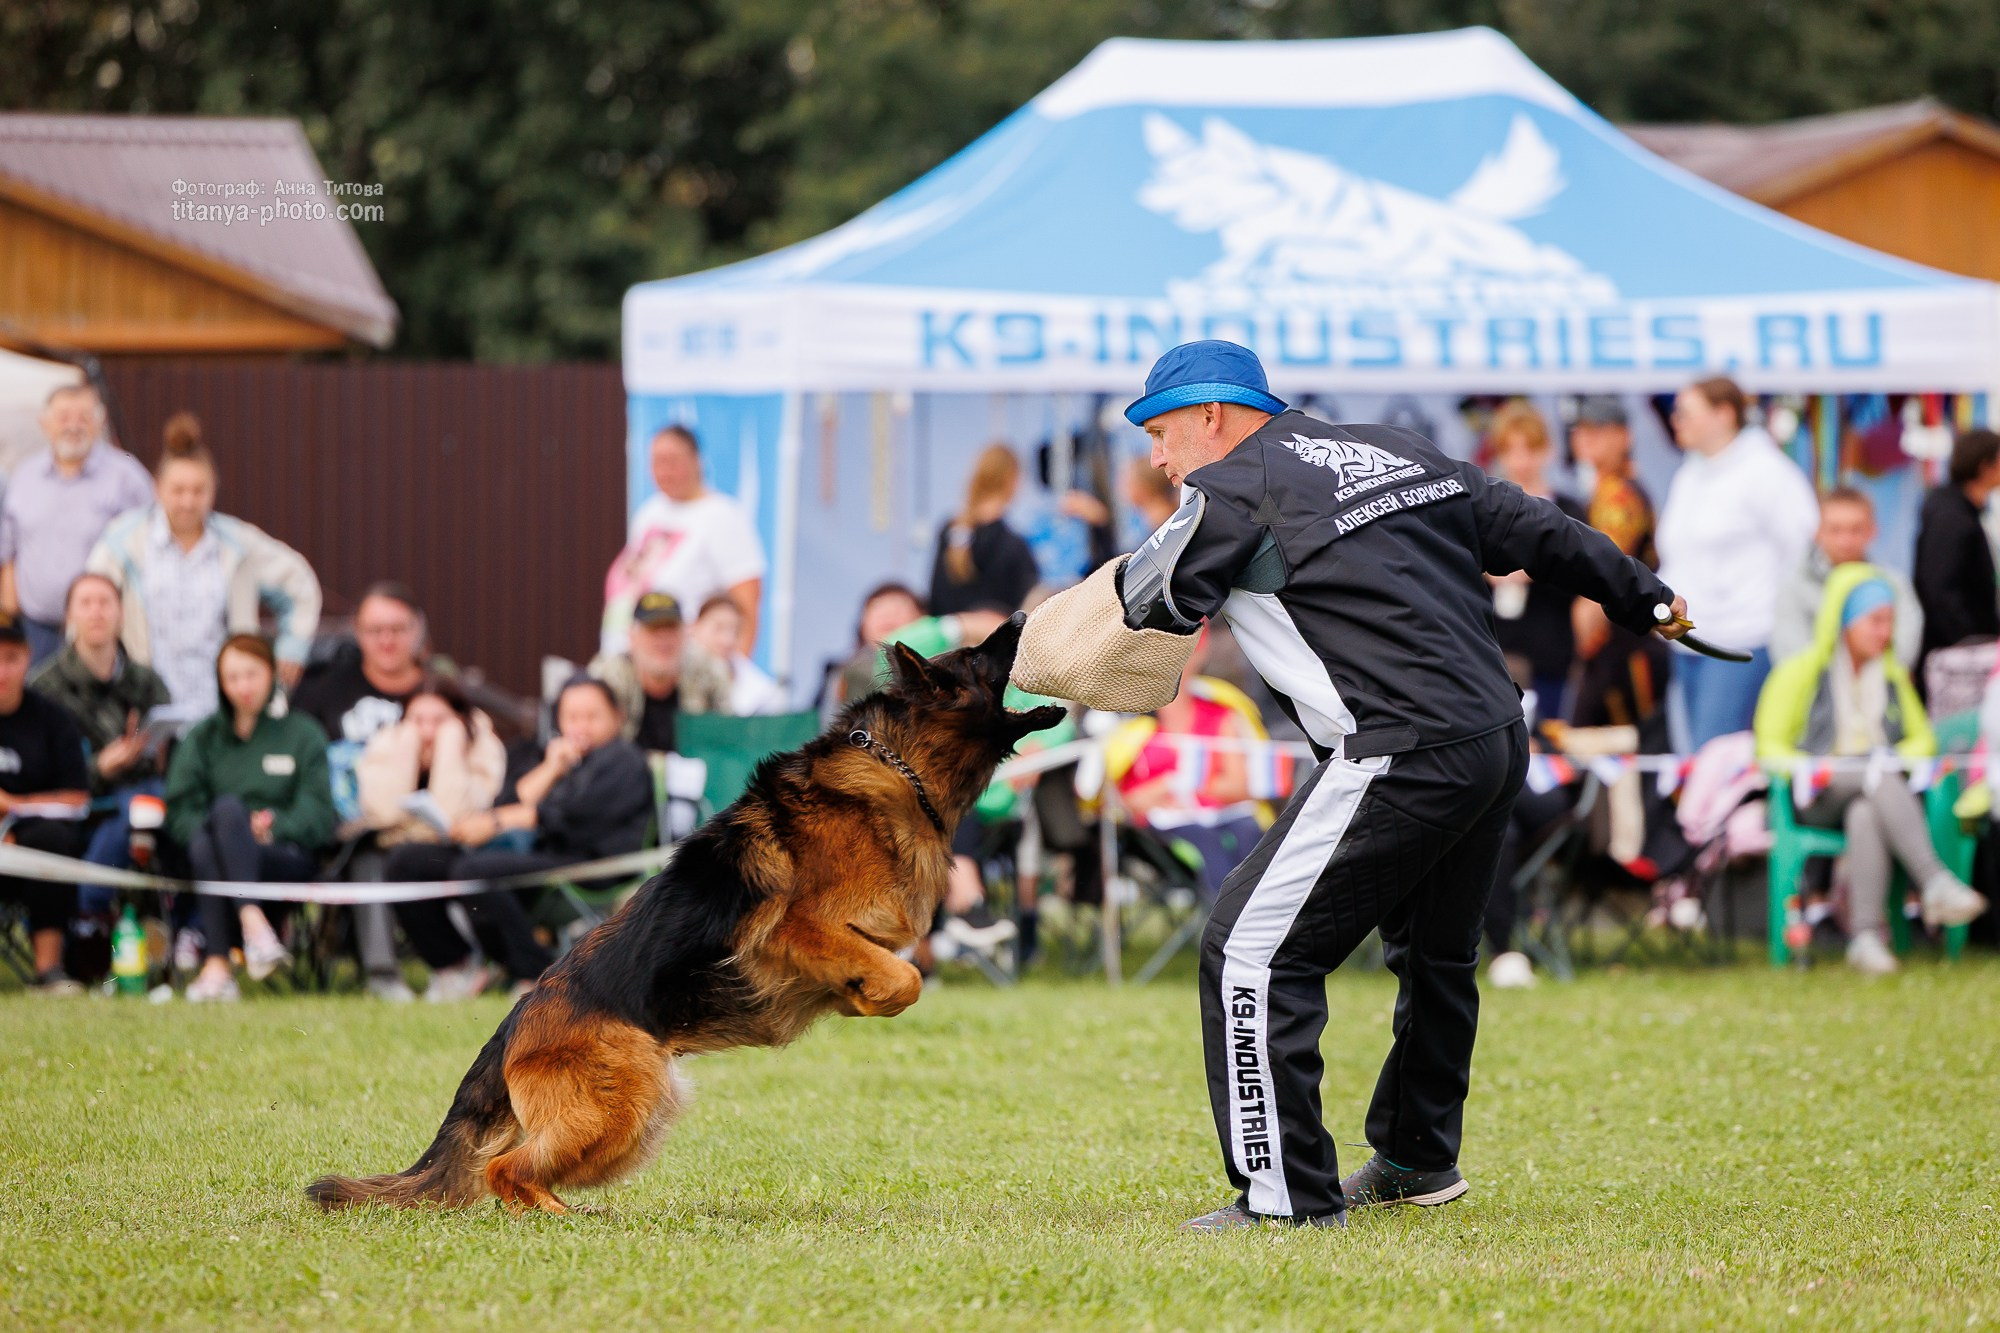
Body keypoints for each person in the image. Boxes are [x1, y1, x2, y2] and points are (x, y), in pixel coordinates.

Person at [1010, 340, 1686, 1230]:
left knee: (1249, 952)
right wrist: (1645, 596)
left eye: (1163, 432)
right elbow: (1535, 526)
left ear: (1214, 414)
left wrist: (1003, 662)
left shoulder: (1229, 489)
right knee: (1437, 955)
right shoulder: (1391, 448)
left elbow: (1130, 613)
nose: (1157, 459)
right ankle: (1415, 1158)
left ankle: (1284, 1198)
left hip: (1397, 746)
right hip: (1493, 737)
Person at [1754, 565, 1988, 972]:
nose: (1885, 633)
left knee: (1866, 807)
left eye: (1890, 622)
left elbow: (1923, 740)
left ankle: (1864, 938)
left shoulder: (1893, 677)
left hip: (1874, 796)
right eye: (1875, 621)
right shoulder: (1800, 673)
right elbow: (1768, 745)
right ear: (1844, 621)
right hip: (1815, 795)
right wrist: (1816, 766)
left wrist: (1890, 759)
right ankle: (1932, 879)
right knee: (1873, 775)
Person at [388, 676, 654, 991]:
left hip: (584, 861)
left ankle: (540, 974)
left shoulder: (624, 759)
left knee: (473, 871)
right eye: (571, 717)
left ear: (617, 717)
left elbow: (574, 818)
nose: (581, 726)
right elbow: (507, 799)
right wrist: (551, 768)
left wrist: (500, 822)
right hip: (527, 853)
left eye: (592, 716)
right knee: (408, 862)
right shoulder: (550, 754)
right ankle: (454, 966)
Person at [85, 413, 322, 713]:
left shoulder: (237, 544)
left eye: (198, 490)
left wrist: (293, 648)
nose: (188, 501)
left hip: (221, 711)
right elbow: (88, 606)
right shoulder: (124, 541)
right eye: (178, 490)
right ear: (158, 489)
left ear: (213, 490)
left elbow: (299, 583)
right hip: (146, 709)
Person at [162, 634, 336, 1002]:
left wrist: (272, 827)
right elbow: (180, 809)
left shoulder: (303, 734)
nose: (243, 686)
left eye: (252, 674)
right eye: (232, 677)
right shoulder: (202, 737)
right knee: (223, 817)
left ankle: (218, 964)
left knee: (220, 826)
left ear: (272, 674)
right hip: (209, 856)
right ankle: (252, 928)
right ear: (221, 683)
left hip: (283, 857)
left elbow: (319, 813)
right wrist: (230, 833)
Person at [1655, 377, 1818, 750]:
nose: (1676, 420)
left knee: (1716, 763)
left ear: (1724, 414)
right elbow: (1679, 555)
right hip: (1686, 641)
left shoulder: (1767, 472)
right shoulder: (1691, 473)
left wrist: (1788, 626)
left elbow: (1802, 551)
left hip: (1741, 639)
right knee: (1694, 761)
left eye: (1686, 413)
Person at [352, 676, 507, 1001]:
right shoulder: (389, 742)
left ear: (460, 719)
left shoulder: (482, 747)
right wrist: (407, 748)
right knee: (370, 864)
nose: (427, 731)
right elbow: (382, 811)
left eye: (439, 721)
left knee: (414, 863)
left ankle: (459, 963)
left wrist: (450, 746)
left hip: (458, 851)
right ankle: (382, 974)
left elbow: (454, 814)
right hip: (391, 847)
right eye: (417, 721)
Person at [28, 573, 172, 911]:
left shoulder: (147, 682)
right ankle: (87, 908)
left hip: (144, 798)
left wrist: (152, 754)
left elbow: (167, 754)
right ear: (69, 617)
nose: (96, 612)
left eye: (105, 603)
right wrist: (100, 768)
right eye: (86, 603)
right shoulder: (45, 688)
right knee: (133, 808)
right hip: (76, 807)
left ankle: (186, 932)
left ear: (121, 613)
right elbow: (40, 772)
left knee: (148, 803)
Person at [0, 384, 154, 667]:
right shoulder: (24, 475)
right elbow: (8, 544)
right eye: (63, 417)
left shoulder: (128, 477)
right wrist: (11, 606)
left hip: (102, 631)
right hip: (36, 628)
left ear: (100, 421)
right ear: (44, 423)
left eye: (83, 417)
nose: (73, 426)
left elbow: (150, 546)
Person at [1110, 634, 1267, 899]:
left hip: (1224, 820)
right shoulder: (1130, 726)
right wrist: (1184, 788)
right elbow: (1118, 799)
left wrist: (1175, 788)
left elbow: (1241, 785)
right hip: (1158, 833)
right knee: (1209, 845)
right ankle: (1229, 927)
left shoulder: (1222, 714)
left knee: (1252, 838)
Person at [601, 424, 766, 656]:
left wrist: (735, 672)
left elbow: (747, 605)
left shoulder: (722, 516)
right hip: (632, 662)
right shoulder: (650, 511)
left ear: (697, 461)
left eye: (673, 461)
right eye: (657, 462)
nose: (664, 471)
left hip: (688, 667)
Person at [0, 610, 91, 993]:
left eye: (10, 659)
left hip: (30, 850)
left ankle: (48, 968)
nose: (1, 671)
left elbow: (76, 798)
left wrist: (12, 806)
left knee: (53, 841)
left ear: (28, 657)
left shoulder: (52, 719)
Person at [1484, 401, 1586, 719]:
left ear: (1547, 451)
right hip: (1495, 650)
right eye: (1511, 450)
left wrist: (1534, 568)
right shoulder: (1484, 507)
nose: (1520, 461)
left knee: (1549, 741)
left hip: (1550, 651)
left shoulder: (1568, 510)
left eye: (1529, 449)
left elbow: (1582, 575)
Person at [1771, 487, 1922, 669]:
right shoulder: (1795, 585)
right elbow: (1790, 654)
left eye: (1856, 530)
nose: (1845, 541)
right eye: (1835, 530)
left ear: (1872, 530)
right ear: (1818, 531)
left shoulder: (1893, 584)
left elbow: (1904, 647)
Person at [587, 592, 732, 753]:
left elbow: (728, 736)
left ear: (684, 634)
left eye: (670, 629)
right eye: (653, 630)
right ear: (632, 637)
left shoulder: (709, 673)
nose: (663, 640)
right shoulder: (606, 678)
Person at [1913, 428, 2000, 691]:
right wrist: (1970, 643)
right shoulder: (1952, 518)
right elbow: (1937, 588)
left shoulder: (1963, 511)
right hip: (1954, 662)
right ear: (1986, 466)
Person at [928, 444, 1040, 618]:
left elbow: (936, 600)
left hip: (952, 642)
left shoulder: (951, 531)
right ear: (1012, 479)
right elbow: (1028, 609)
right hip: (997, 642)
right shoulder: (1013, 545)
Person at [1568, 395, 1655, 567]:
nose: (1585, 437)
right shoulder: (1604, 486)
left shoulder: (1620, 493)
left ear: (1624, 436)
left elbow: (1608, 569)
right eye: (1580, 429)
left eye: (1597, 429)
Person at [825, 582, 926, 713]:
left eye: (899, 607)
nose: (888, 615)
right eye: (877, 607)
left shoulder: (940, 667)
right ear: (862, 624)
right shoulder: (843, 672)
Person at [689, 595, 785, 716]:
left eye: (735, 630)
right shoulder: (673, 677)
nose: (727, 640)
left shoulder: (762, 692)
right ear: (694, 627)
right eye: (719, 628)